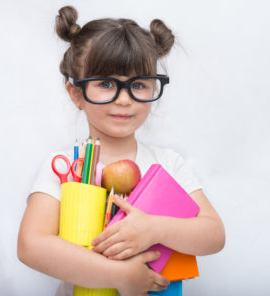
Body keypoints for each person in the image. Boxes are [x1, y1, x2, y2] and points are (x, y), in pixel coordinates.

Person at [17, 5, 225, 296]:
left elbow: (214, 235)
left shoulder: (168, 164)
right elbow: (31, 245)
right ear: (76, 93)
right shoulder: (64, 164)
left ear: (153, 89)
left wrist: (154, 229)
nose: (125, 99)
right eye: (106, 83)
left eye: (138, 85)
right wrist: (119, 276)